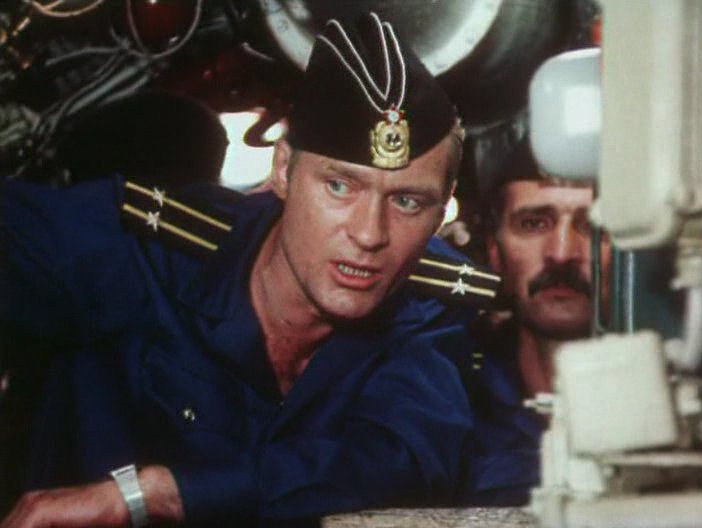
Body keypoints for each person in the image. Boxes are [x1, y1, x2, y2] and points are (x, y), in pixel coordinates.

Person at [0, 13, 533, 528]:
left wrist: (158, 494)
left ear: (440, 212)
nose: (370, 234)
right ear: (282, 171)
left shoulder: (435, 305)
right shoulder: (145, 247)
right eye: (339, 186)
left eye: (408, 202)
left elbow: (396, 464)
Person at [478, 138, 610, 400]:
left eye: (594, 228)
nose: (561, 254)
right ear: (494, 251)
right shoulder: (448, 395)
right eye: (533, 224)